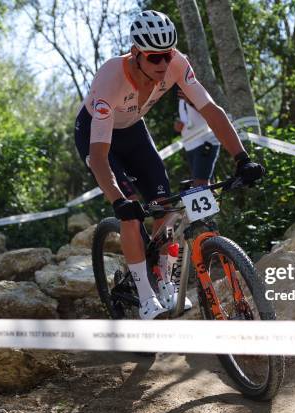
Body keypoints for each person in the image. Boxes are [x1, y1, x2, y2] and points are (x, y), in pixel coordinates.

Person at [74, 10, 264, 319]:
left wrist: (242, 158)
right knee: (132, 215)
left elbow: (211, 111)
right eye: (154, 58)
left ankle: (164, 279)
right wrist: (118, 201)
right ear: (136, 54)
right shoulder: (110, 79)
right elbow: (98, 157)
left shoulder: (177, 63)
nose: (163, 64)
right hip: (98, 136)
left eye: (168, 54)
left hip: (133, 131)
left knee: (164, 206)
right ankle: (146, 297)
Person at [174, 87, 221, 186]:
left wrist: (191, 102)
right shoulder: (181, 101)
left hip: (205, 142)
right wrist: (179, 125)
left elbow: (211, 113)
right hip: (190, 146)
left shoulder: (199, 92)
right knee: (204, 184)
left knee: (200, 184)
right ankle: (216, 201)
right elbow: (187, 120)